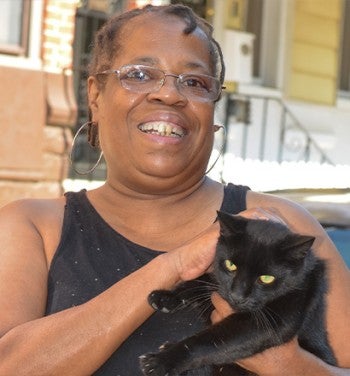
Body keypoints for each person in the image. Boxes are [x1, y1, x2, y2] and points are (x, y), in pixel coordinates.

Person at [0, 4, 349, 375]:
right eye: (139, 74)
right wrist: (175, 264)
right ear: (95, 96)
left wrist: (290, 366)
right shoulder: (32, 227)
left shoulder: (286, 228)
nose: (169, 95)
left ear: (213, 113)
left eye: (195, 82)